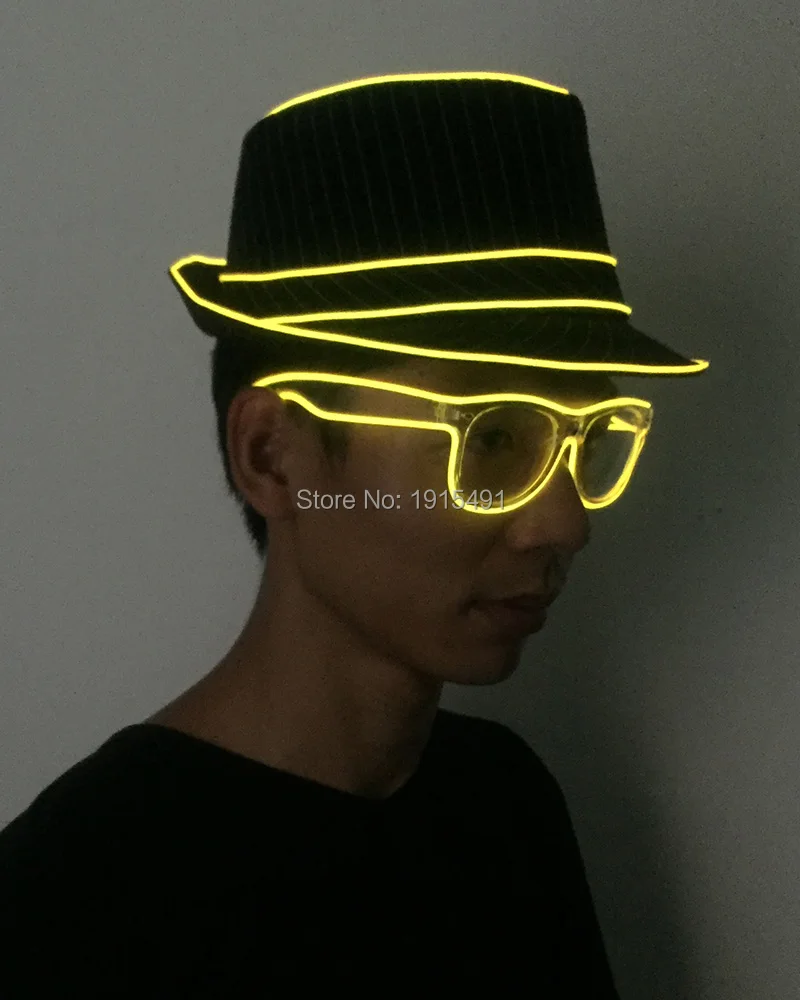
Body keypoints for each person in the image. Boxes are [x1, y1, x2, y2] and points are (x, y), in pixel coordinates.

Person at [0, 71, 709, 996]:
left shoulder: (504, 805)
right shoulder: (69, 900)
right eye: (495, 438)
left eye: (590, 440)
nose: (566, 523)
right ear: (272, 456)